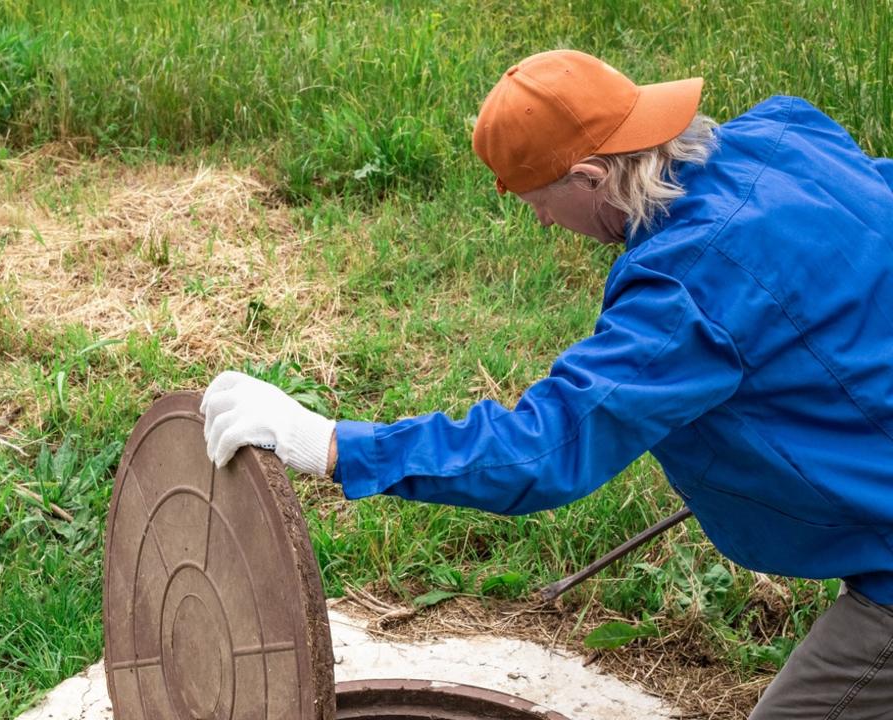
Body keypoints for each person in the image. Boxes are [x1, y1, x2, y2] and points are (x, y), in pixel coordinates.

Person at [200, 49, 893, 718]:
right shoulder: (786, 133)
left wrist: (329, 443)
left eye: (534, 201)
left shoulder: (688, 291)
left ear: (591, 177)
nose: (537, 221)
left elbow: (546, 446)